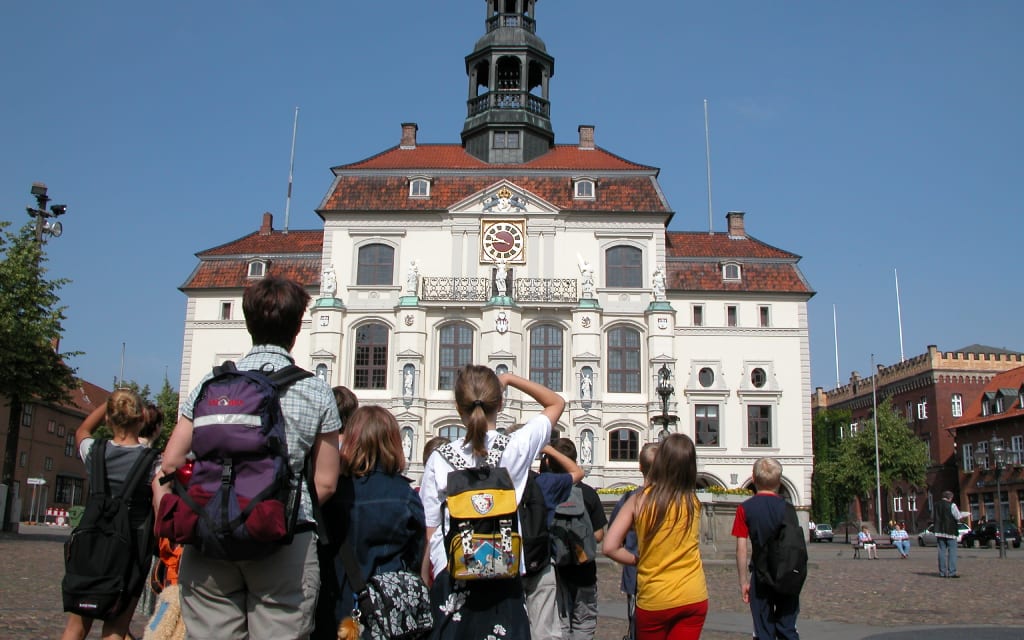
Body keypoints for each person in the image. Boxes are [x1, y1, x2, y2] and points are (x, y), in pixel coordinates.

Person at [157, 277, 341, 640]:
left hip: (210, 535)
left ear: (247, 322)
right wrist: (272, 509)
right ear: (298, 326)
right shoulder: (316, 390)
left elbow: (170, 463)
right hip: (282, 538)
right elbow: (325, 482)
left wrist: (210, 510)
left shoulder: (210, 385)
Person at [419, 366, 565, 640]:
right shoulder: (516, 447)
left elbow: (432, 532)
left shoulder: (439, 459)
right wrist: (508, 379)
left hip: (453, 580)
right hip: (503, 580)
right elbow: (556, 402)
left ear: (457, 406)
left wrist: (429, 575)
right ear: (500, 403)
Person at [313, 406, 426, 640]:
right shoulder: (404, 494)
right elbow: (416, 552)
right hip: (387, 608)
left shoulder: (332, 493)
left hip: (337, 603)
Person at [61, 388, 155, 640]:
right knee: (116, 628)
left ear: (108, 419)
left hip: (90, 545)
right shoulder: (153, 462)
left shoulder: (94, 452)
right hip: (131, 548)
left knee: (76, 626)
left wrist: (109, 402)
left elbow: (81, 431)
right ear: (143, 417)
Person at [603, 435, 706, 640]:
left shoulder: (639, 501)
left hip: (655, 595)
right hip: (693, 594)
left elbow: (609, 546)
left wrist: (637, 560)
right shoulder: (692, 501)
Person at [731, 457, 799, 640]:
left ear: (753, 479)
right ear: (779, 481)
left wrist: (744, 581)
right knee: (787, 628)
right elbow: (794, 544)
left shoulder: (745, 509)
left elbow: (741, 548)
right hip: (786, 574)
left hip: (761, 575)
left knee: (763, 630)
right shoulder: (788, 509)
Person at [549, 438, 607, 640]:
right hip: (584, 569)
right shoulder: (588, 493)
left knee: (559, 619)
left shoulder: (547, 490)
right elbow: (599, 535)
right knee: (584, 620)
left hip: (555, 569)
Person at [606, 442, 658, 640]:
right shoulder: (675, 499)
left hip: (637, 573)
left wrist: (636, 560)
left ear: (640, 467)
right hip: (670, 577)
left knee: (637, 623)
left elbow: (612, 541)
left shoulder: (631, 498)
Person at [935, 490, 968, 578]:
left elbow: (933, 516)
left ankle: (942, 572)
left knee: (941, 552)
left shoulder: (936, 505)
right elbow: (958, 517)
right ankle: (951, 572)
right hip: (950, 531)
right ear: (950, 497)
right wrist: (964, 516)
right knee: (952, 551)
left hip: (939, 531)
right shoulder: (952, 505)